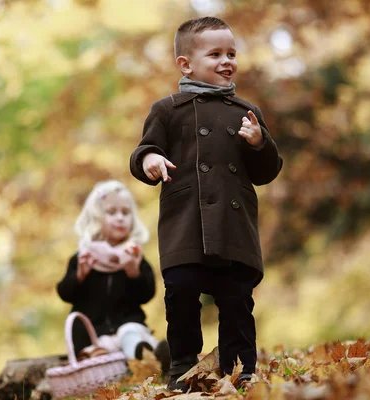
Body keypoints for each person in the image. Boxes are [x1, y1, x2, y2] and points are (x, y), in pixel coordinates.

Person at [129, 16, 283, 392]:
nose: (226, 60)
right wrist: (149, 159)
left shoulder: (246, 112)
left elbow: (266, 172)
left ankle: (241, 369)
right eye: (215, 54)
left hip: (233, 225)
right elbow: (145, 149)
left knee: (236, 300)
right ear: (186, 64)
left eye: (231, 53)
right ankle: (183, 366)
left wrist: (259, 143)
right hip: (187, 222)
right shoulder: (168, 109)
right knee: (180, 293)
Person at [56, 180, 170, 376]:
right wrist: (80, 275)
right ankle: (146, 356)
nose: (120, 218)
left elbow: (147, 294)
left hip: (127, 325)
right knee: (98, 350)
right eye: (112, 212)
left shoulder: (133, 255)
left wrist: (133, 272)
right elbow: (65, 293)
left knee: (130, 333)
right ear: (96, 218)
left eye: (125, 213)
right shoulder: (84, 256)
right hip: (94, 333)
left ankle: (146, 355)